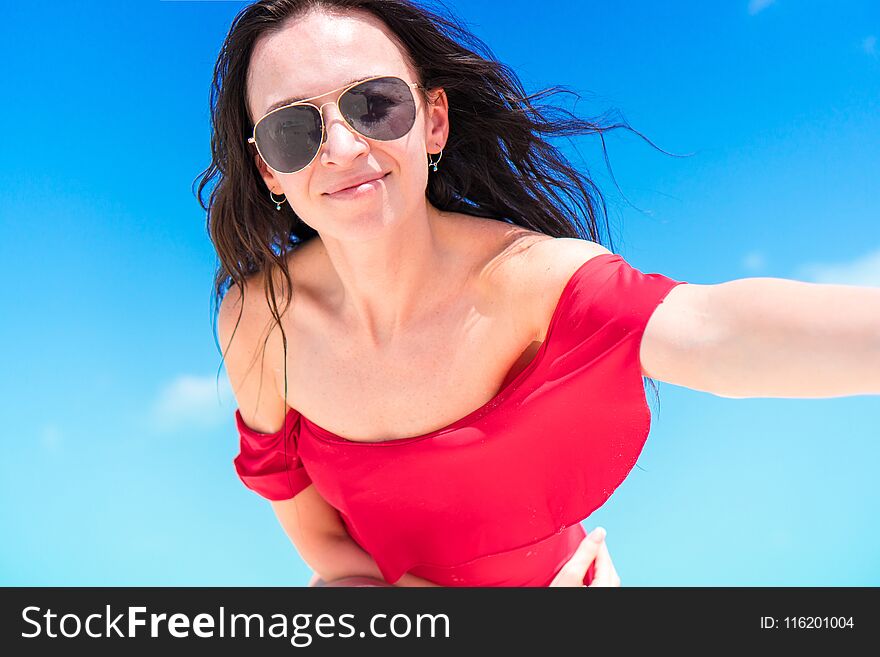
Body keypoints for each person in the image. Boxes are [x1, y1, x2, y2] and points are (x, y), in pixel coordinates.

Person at [199, 0, 879, 587]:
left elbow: (718, 330)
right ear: (268, 168)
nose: (343, 146)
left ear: (433, 121)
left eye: (375, 103)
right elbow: (324, 544)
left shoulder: (532, 281)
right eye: (294, 128)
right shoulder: (262, 326)